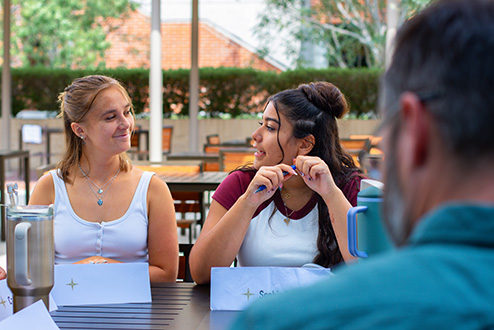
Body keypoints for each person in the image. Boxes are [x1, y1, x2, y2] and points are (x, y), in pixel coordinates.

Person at [229, 0, 494, 328]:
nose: (257, 137)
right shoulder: (244, 183)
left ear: (416, 131)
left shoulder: (283, 320)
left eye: (388, 130)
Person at [189, 82, 363, 284]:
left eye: (270, 127)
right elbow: (201, 273)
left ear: (304, 144)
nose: (255, 136)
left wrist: (331, 194)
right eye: (260, 124)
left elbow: (371, 271)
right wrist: (247, 202)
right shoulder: (242, 185)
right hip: (257, 311)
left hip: (331, 314)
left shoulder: (353, 188)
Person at [29, 75, 178, 283]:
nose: (125, 123)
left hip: (137, 313)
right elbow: (32, 271)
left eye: (127, 112)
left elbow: (166, 274)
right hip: (63, 313)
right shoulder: (49, 187)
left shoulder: (153, 189)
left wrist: (100, 266)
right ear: (79, 130)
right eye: (110, 117)